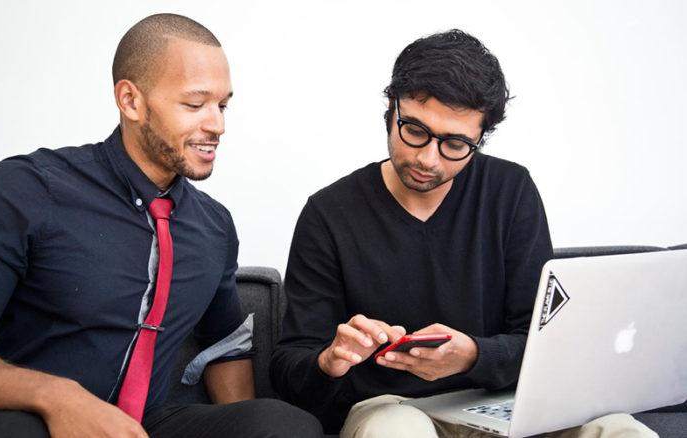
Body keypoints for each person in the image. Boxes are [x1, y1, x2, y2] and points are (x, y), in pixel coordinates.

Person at [270, 29, 656, 438]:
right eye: (414, 130)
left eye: (455, 144)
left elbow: (547, 342)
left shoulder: (511, 191)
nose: (427, 158)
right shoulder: (329, 213)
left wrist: (474, 356)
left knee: (621, 430)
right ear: (391, 108)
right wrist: (329, 361)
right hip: (393, 408)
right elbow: (289, 363)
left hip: (505, 403)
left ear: (481, 137)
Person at [0, 13, 322, 438]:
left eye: (222, 105)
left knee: (282, 424)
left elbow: (225, 342)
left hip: (151, 424)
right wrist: (58, 397)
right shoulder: (26, 189)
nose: (217, 124)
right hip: (40, 418)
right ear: (131, 100)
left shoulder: (213, 226)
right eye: (194, 104)